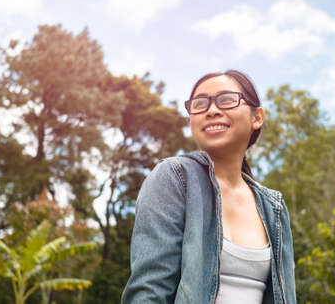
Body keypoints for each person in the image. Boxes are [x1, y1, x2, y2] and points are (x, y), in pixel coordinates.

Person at [121, 70, 296, 303]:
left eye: (226, 100)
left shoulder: (274, 207)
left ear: (257, 117)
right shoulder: (174, 178)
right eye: (200, 104)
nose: (212, 110)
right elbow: (149, 291)